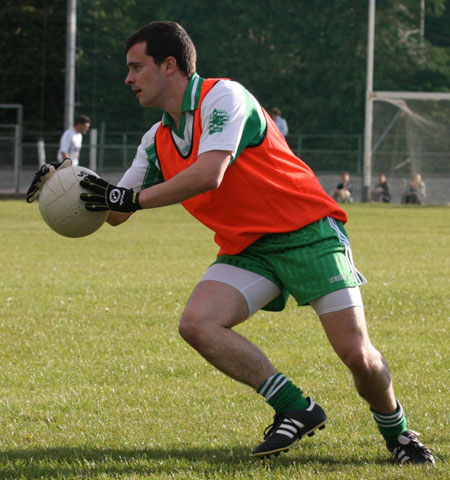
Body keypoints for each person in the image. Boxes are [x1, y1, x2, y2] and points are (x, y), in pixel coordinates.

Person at [26, 21, 434, 465]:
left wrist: (131, 198)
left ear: (169, 65)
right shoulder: (156, 139)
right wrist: (67, 183)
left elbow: (209, 172)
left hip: (308, 232)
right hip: (250, 249)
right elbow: (118, 211)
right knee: (197, 324)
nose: (128, 78)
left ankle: (398, 434)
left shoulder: (223, 97)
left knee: (358, 355)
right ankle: (296, 406)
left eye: (136, 67)